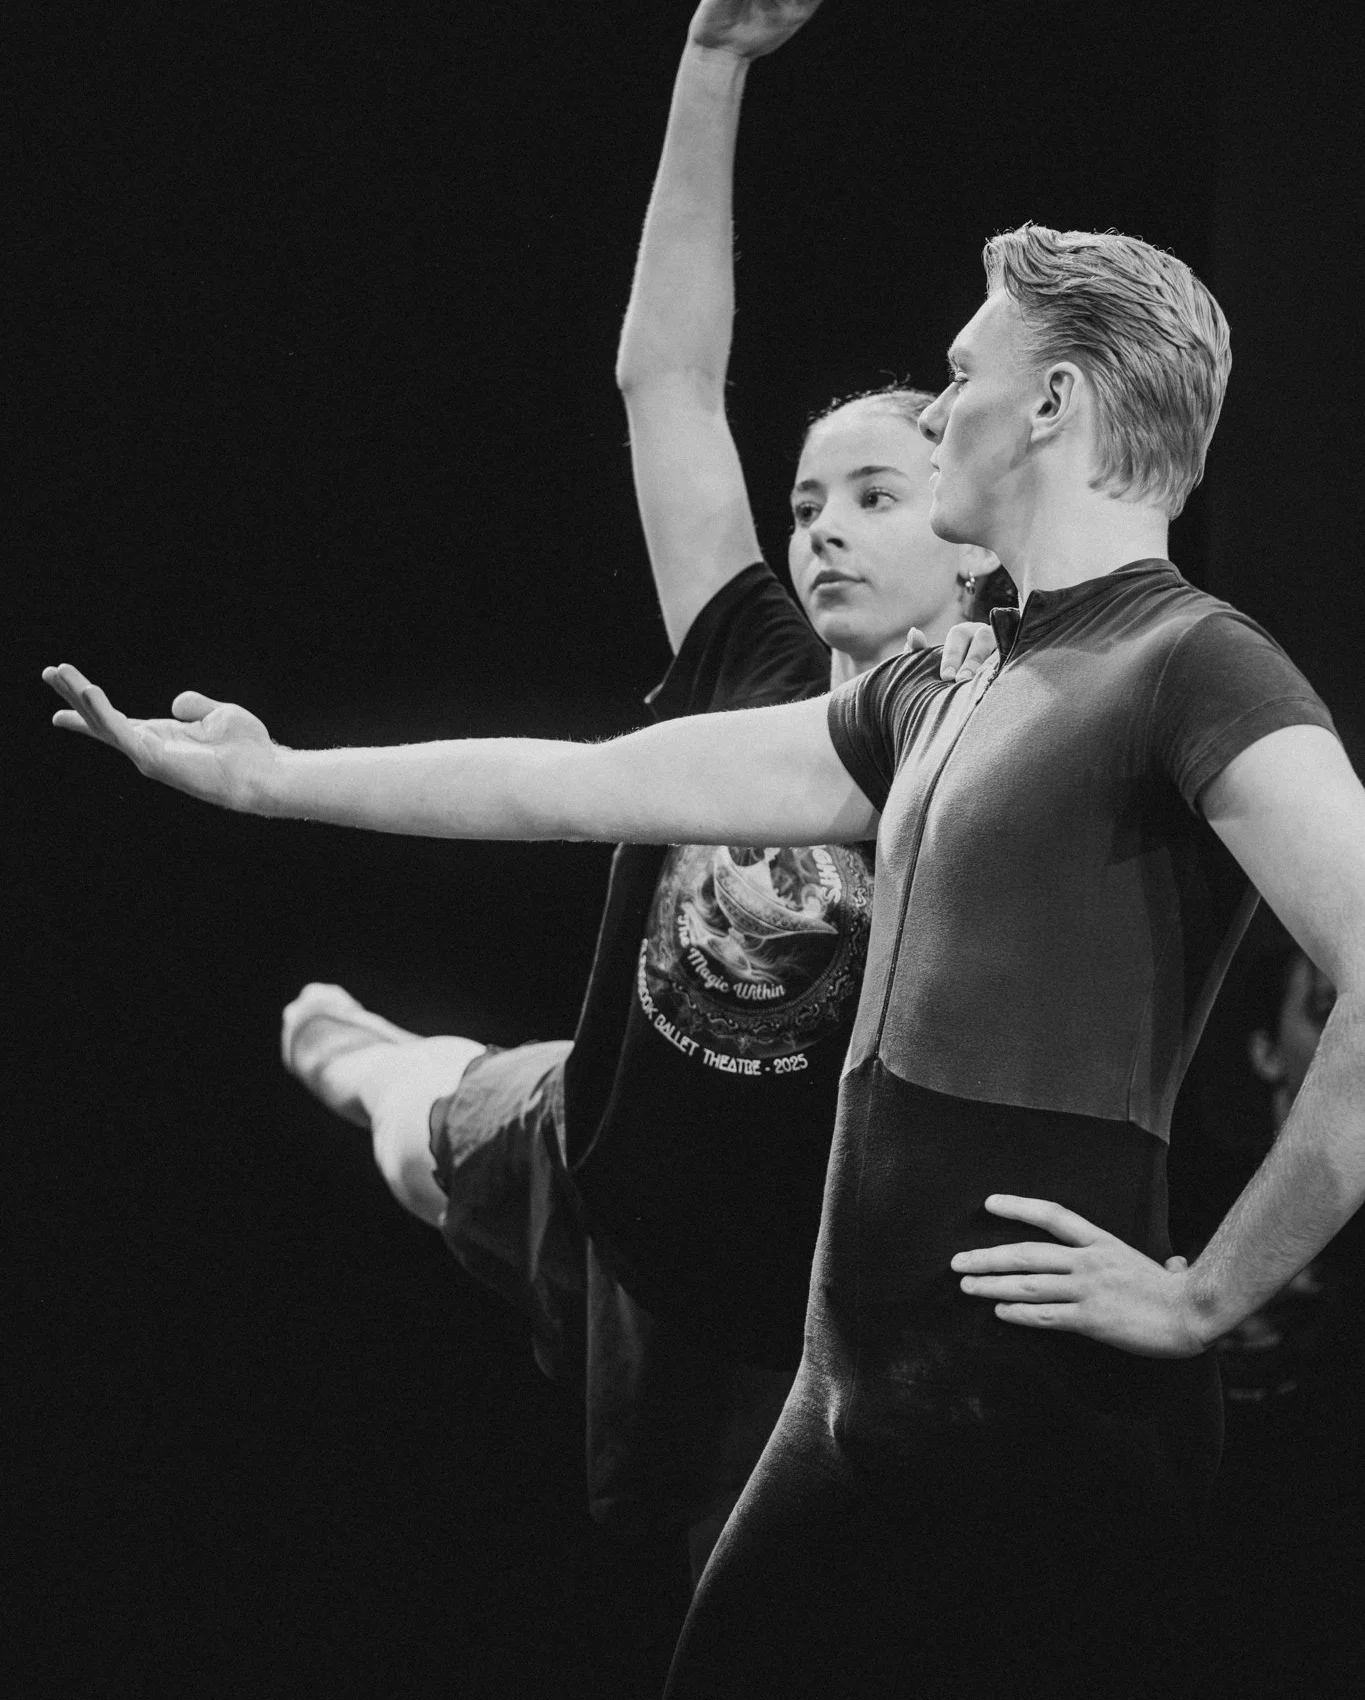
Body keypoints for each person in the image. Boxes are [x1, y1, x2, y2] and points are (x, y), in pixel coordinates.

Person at [47, 220, 1364, 1691]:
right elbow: (580, 785)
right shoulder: (945, 687)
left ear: (1054, 401)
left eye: (962, 372)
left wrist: (1205, 1295)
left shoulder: (1194, 661)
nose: (939, 410)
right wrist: (271, 778)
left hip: (1034, 1412)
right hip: (844, 1399)